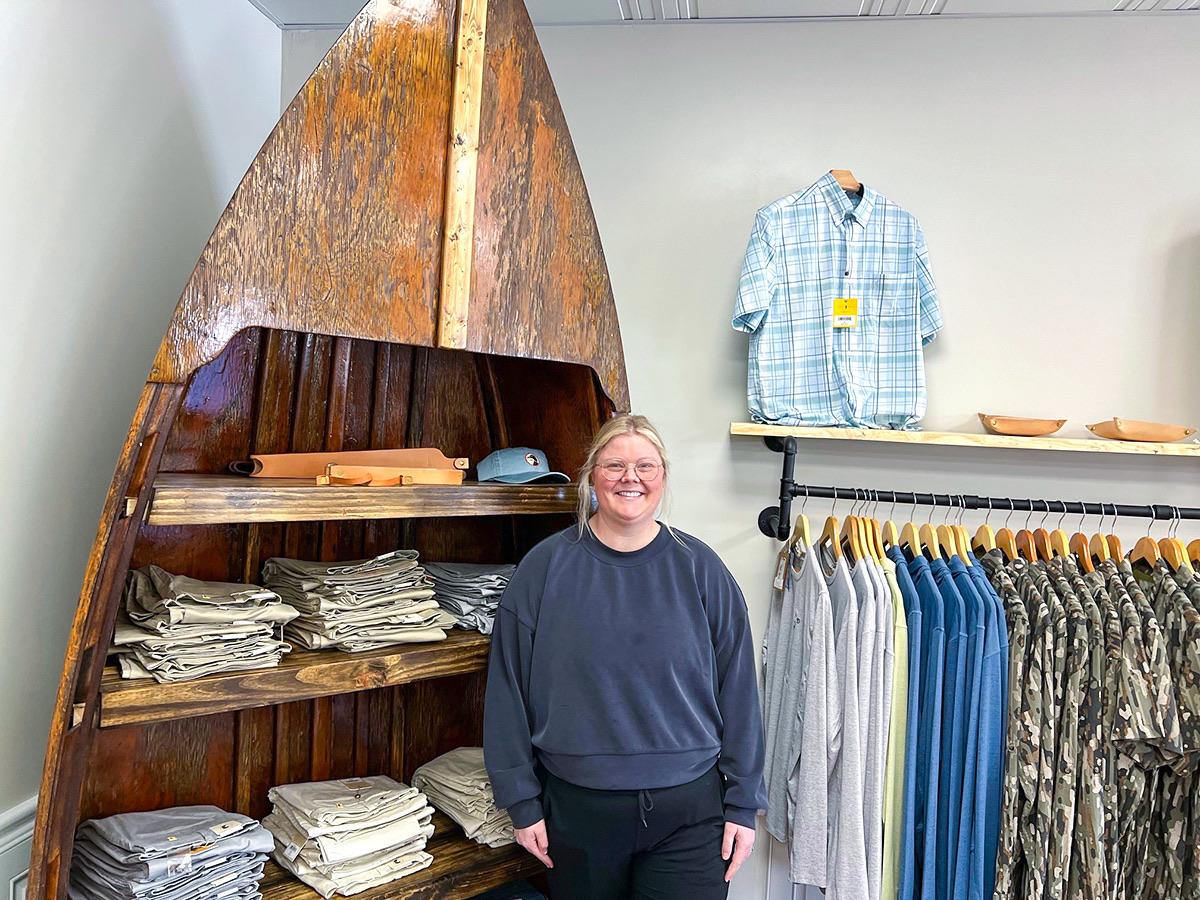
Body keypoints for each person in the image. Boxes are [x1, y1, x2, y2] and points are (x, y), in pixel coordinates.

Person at [483, 414, 767, 899]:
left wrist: (743, 803)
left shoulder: (701, 569)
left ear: (663, 477)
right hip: (576, 813)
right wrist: (521, 801)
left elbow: (739, 688)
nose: (629, 477)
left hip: (691, 815)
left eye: (645, 466)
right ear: (592, 475)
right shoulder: (544, 568)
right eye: (614, 465)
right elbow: (507, 688)